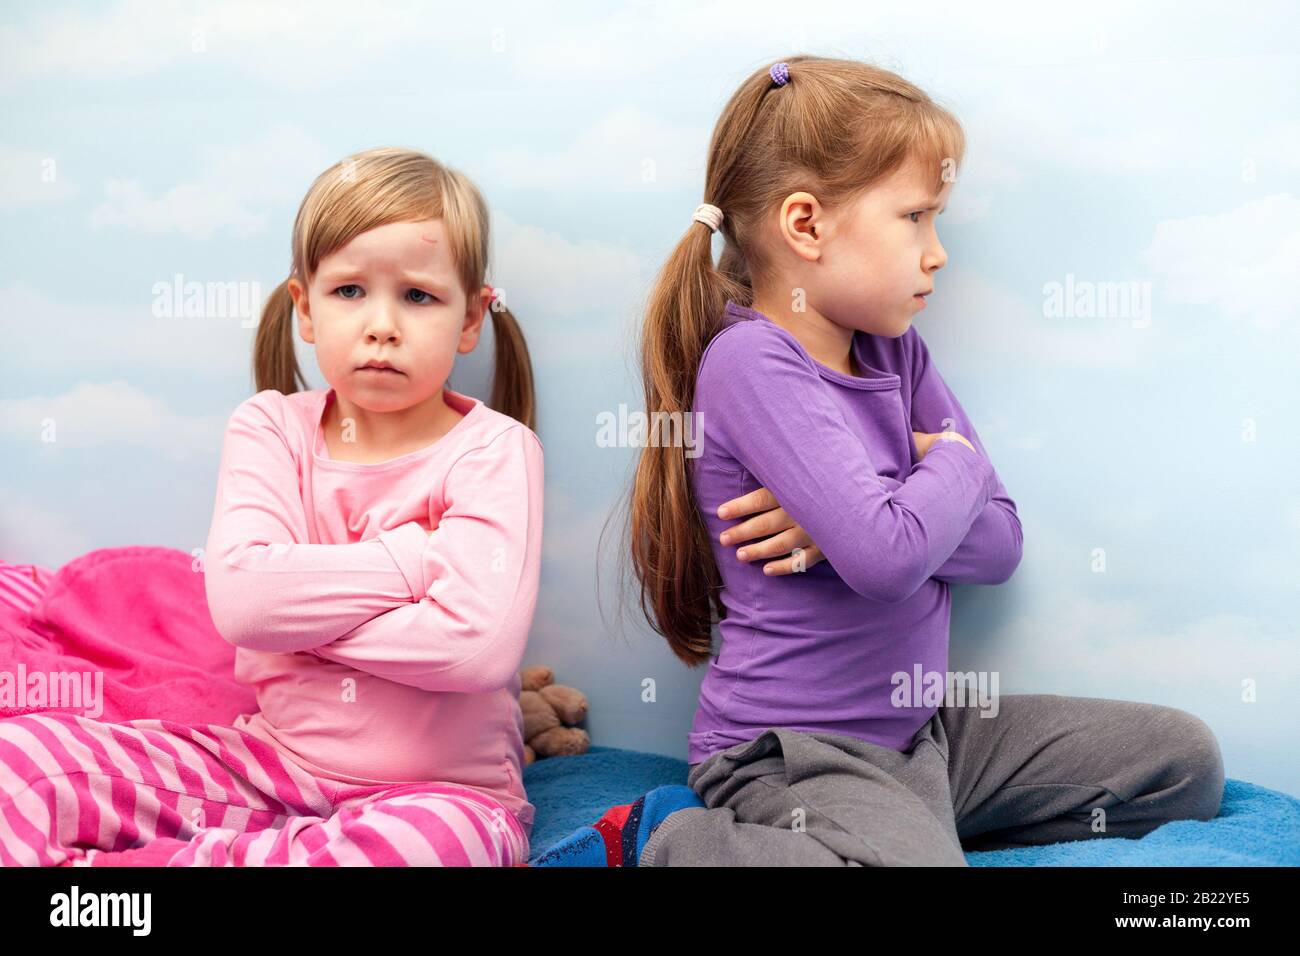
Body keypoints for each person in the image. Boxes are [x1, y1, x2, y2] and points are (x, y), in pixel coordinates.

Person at [536, 56, 1223, 867]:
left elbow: (999, 547)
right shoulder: (752, 363)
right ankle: (666, 839)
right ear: (806, 224)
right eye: (916, 218)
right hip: (792, 751)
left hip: (922, 732)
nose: (937, 253)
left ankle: (902, 825)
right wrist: (946, 472)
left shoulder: (897, 356)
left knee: (1184, 763)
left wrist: (869, 515)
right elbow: (890, 559)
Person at [0, 146, 545, 867]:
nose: (382, 324)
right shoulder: (270, 428)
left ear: (471, 318)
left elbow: (475, 649)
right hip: (268, 768)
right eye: (350, 291)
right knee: (21, 761)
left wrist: (291, 621)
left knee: (438, 846)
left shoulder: (495, 450)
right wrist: (417, 561)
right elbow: (243, 607)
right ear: (305, 309)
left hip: (443, 794)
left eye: (418, 296)